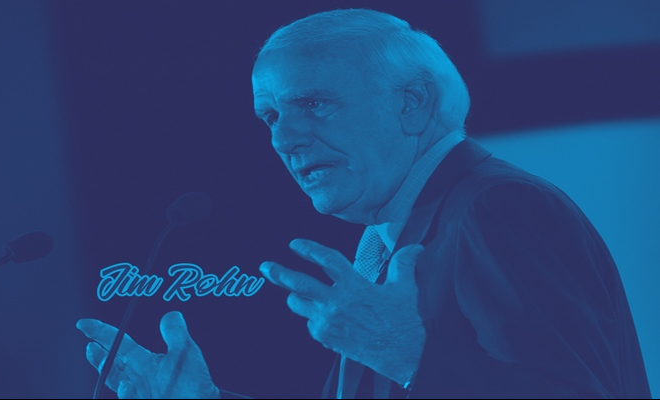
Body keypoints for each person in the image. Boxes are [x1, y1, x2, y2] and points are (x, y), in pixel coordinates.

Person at [77, 9, 652, 399]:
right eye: (270, 116)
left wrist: (408, 354)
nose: (283, 139)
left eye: (314, 104)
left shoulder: (498, 208)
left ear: (412, 103)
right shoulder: (391, 240)